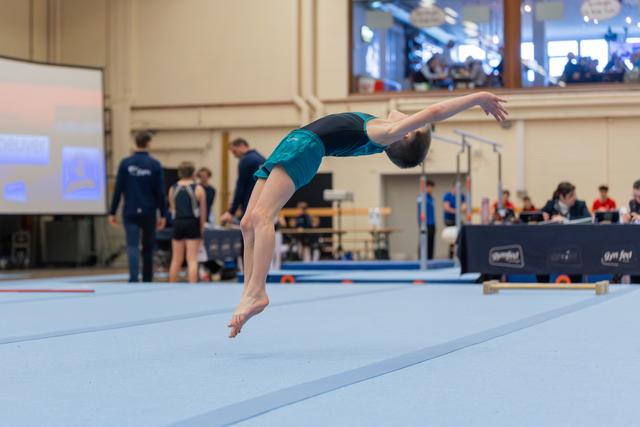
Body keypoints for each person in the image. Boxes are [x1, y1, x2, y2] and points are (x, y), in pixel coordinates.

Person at [227, 91, 508, 337]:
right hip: (294, 143)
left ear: (406, 132)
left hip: (305, 148)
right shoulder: (381, 127)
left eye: (413, 120)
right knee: (248, 222)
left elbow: (435, 112)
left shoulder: (386, 133)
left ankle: (258, 291)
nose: (409, 115)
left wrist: (478, 98)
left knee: (263, 217)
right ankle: (248, 292)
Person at [109, 131, 168, 283]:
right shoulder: (154, 164)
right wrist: (163, 215)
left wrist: (112, 212)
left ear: (135, 143)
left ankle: (133, 278)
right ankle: (147, 279)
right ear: (148, 144)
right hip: (149, 211)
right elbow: (160, 192)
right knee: (148, 248)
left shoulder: (125, 163)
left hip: (130, 211)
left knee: (132, 245)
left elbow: (118, 189)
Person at [168, 162, 206, 283]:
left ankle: (171, 285)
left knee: (176, 259)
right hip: (192, 222)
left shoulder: (172, 188)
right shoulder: (199, 189)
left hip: (178, 223)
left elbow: (172, 208)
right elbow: (203, 211)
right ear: (193, 173)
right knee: (192, 259)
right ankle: (192, 286)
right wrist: (202, 227)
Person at [220, 139, 265, 225]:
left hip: (250, 202)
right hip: (262, 202)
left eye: (234, 151)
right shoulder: (261, 158)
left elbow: (240, 186)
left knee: (247, 232)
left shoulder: (245, 160)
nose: (234, 155)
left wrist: (231, 211)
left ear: (242, 146)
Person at [416, 180, 436, 259]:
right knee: (423, 241)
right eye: (430, 187)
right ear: (426, 187)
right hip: (424, 223)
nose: (431, 189)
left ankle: (430, 258)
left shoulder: (431, 198)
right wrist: (421, 223)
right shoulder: (421, 197)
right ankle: (421, 258)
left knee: (431, 242)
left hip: (432, 223)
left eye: (432, 188)